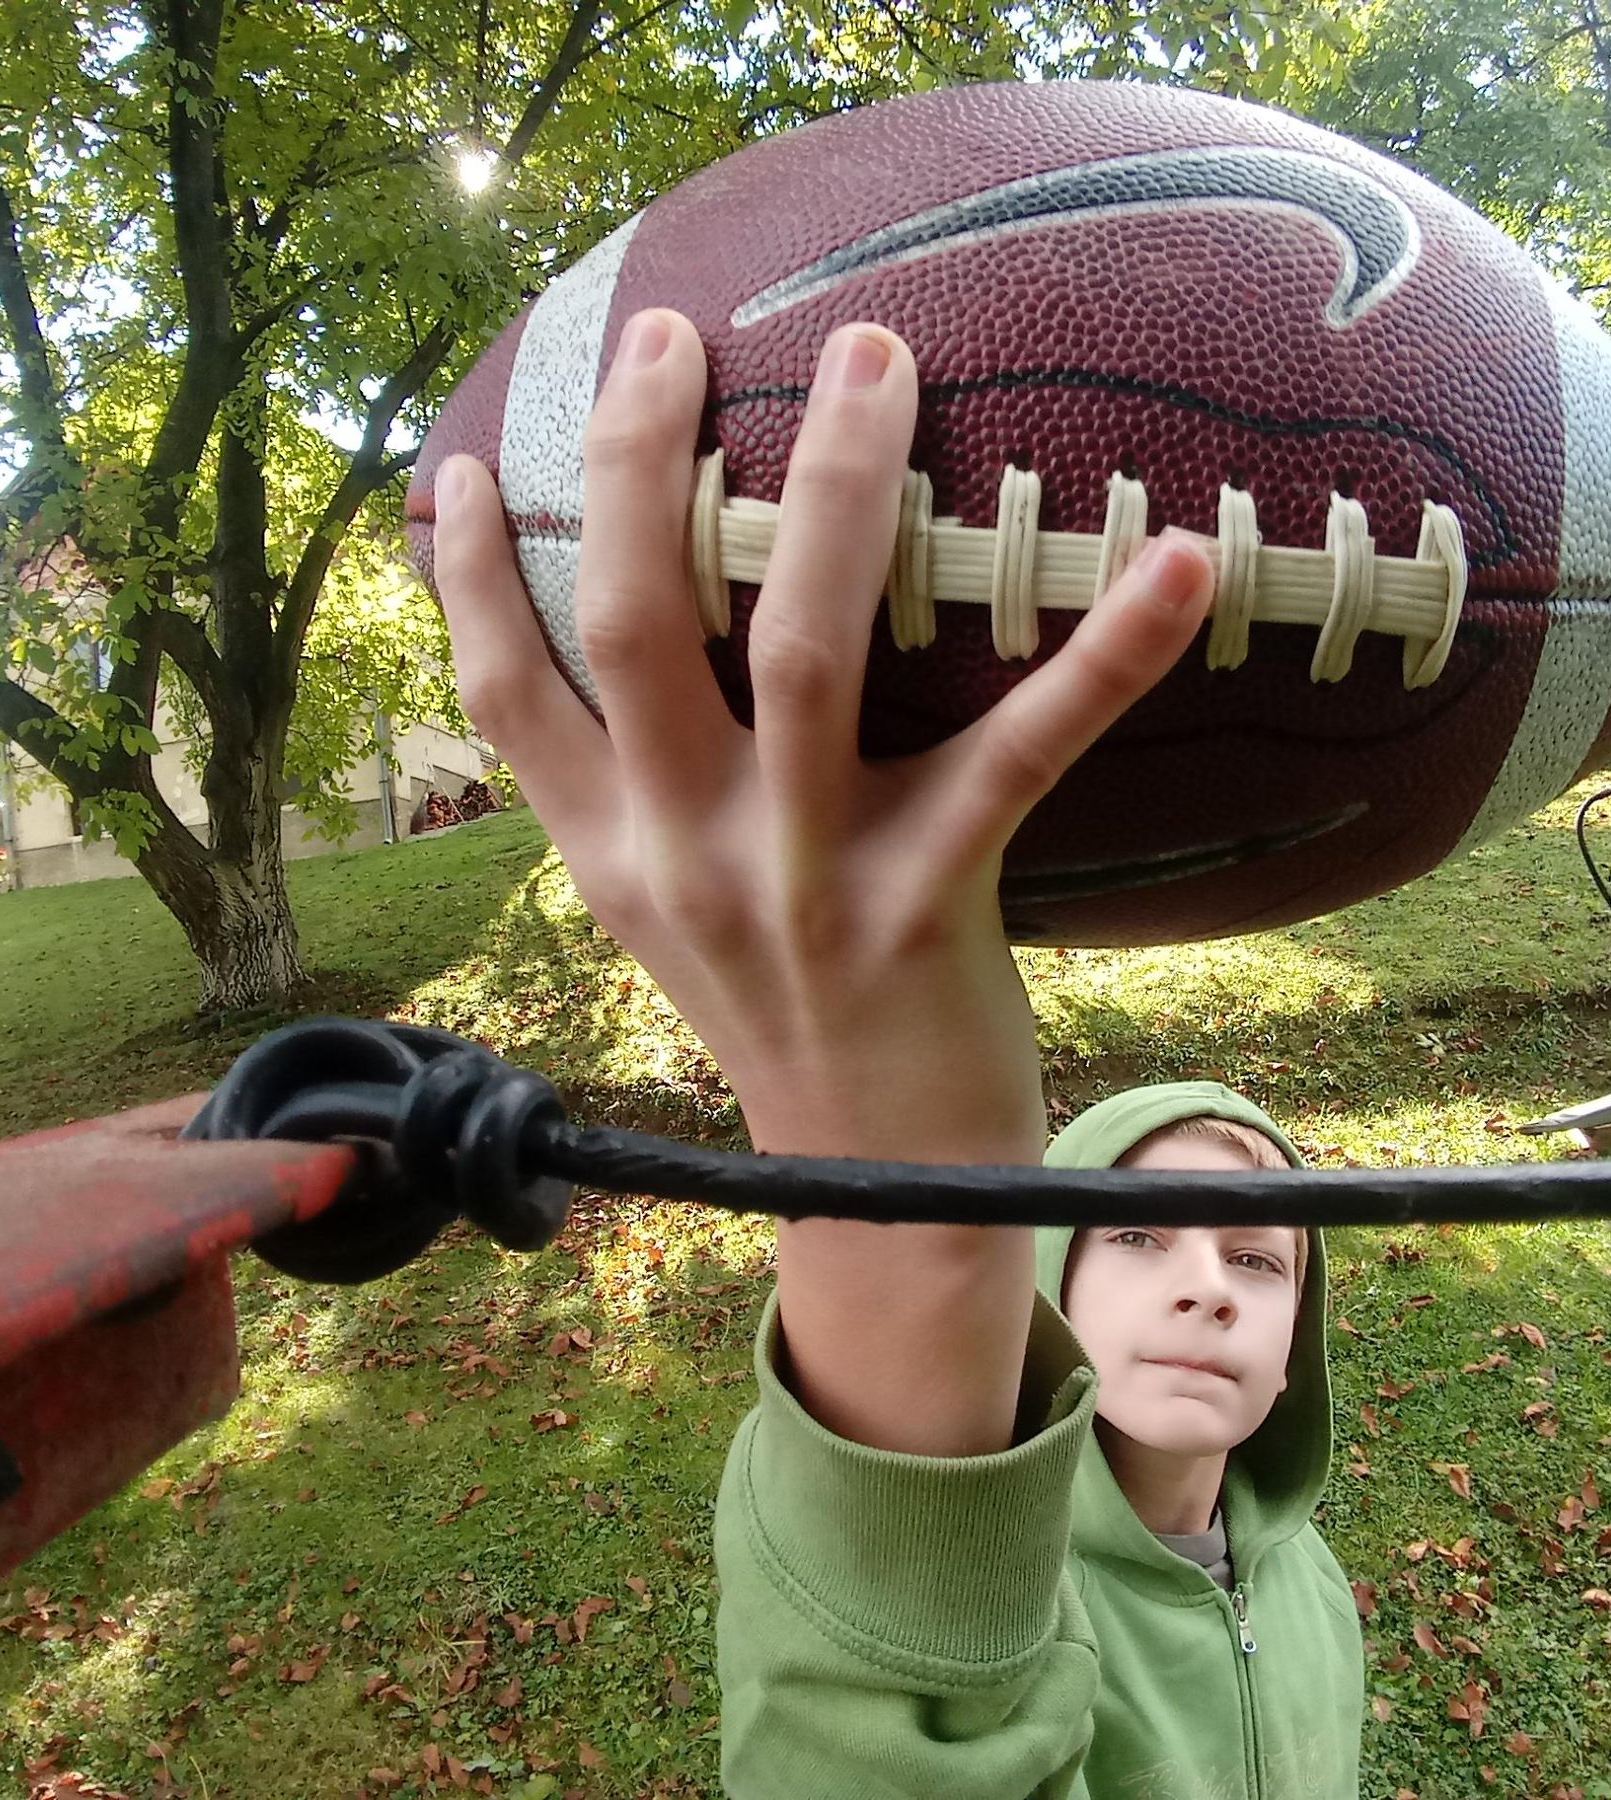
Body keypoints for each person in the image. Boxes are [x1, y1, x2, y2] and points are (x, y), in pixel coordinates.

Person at [430, 307, 1361, 1797]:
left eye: (1260, 1260)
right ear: (1041, 1289)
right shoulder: (1000, 1628)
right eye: (1137, 1236)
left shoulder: (1315, 1597)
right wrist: (915, 1214)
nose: (1207, 1275)